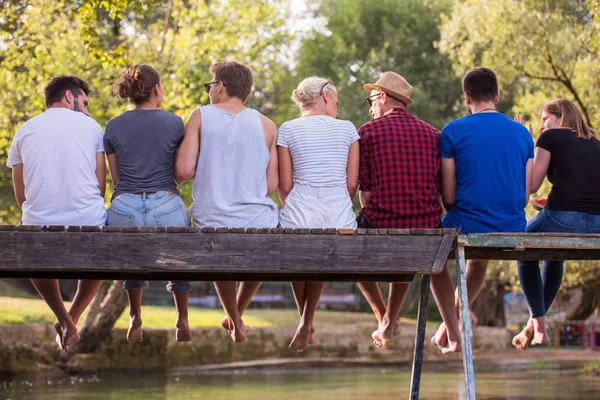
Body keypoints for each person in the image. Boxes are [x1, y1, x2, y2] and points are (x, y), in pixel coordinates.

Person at [431, 67, 534, 354]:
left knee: (430, 257)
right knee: (479, 260)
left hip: (467, 220)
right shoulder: (523, 134)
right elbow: (525, 196)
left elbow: (448, 195)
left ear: (466, 97)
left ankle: (451, 329)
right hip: (512, 224)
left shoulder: (452, 131)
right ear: (497, 96)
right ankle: (448, 326)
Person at [175, 61, 279, 343]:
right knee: (261, 244)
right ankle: (236, 315)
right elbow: (271, 185)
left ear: (220, 87)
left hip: (214, 218)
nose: (209, 92)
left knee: (219, 244)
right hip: (259, 221)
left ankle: (234, 318)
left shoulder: (200, 116)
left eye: (210, 86)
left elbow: (183, 172)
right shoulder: (268, 125)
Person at [7, 75, 107, 351]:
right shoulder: (93, 127)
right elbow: (100, 188)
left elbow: (20, 197)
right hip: (89, 222)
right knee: (104, 253)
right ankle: (72, 316)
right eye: (84, 103)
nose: (86, 110)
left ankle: (64, 318)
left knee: (30, 239)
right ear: (68, 96)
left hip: (39, 225)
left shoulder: (24, 131)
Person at [104, 64, 192, 344]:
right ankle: (181, 317)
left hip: (124, 207)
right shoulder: (175, 122)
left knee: (133, 256)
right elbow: (180, 172)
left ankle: (135, 315)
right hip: (165, 204)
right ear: (156, 89)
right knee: (182, 252)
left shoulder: (113, 126)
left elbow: (116, 178)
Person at [356, 72, 442, 347]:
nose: (370, 107)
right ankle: (388, 319)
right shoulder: (433, 133)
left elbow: (366, 194)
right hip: (427, 226)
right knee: (407, 247)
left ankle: (383, 316)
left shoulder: (367, 132)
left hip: (383, 221)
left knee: (349, 254)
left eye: (371, 99)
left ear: (382, 97)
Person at [278, 77, 359, 352]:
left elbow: (285, 186)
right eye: (336, 102)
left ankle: (305, 320)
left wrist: (297, 205)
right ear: (325, 96)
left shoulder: (287, 129)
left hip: (299, 211)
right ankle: (306, 320)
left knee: (297, 251)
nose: (337, 109)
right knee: (323, 247)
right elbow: (351, 184)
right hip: (339, 215)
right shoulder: (348, 129)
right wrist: (337, 202)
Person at [512, 99, 600, 350]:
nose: (541, 126)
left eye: (544, 119)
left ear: (561, 118)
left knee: (523, 247)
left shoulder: (550, 138)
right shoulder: (596, 143)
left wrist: (526, 146)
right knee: (554, 254)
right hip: (597, 224)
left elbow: (531, 186)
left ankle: (540, 328)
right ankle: (534, 325)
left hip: (562, 217)